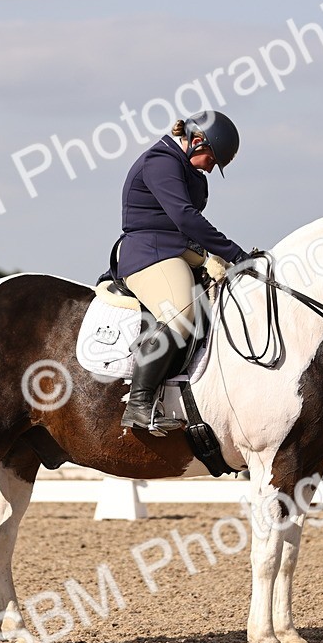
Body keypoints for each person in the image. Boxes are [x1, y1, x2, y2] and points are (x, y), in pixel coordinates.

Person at [112, 110, 249, 434]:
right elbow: (185, 217)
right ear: (196, 141)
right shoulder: (161, 161)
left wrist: (212, 258)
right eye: (212, 159)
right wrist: (235, 252)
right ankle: (139, 404)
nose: (212, 168)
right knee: (181, 313)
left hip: (177, 249)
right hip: (149, 252)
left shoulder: (185, 167)